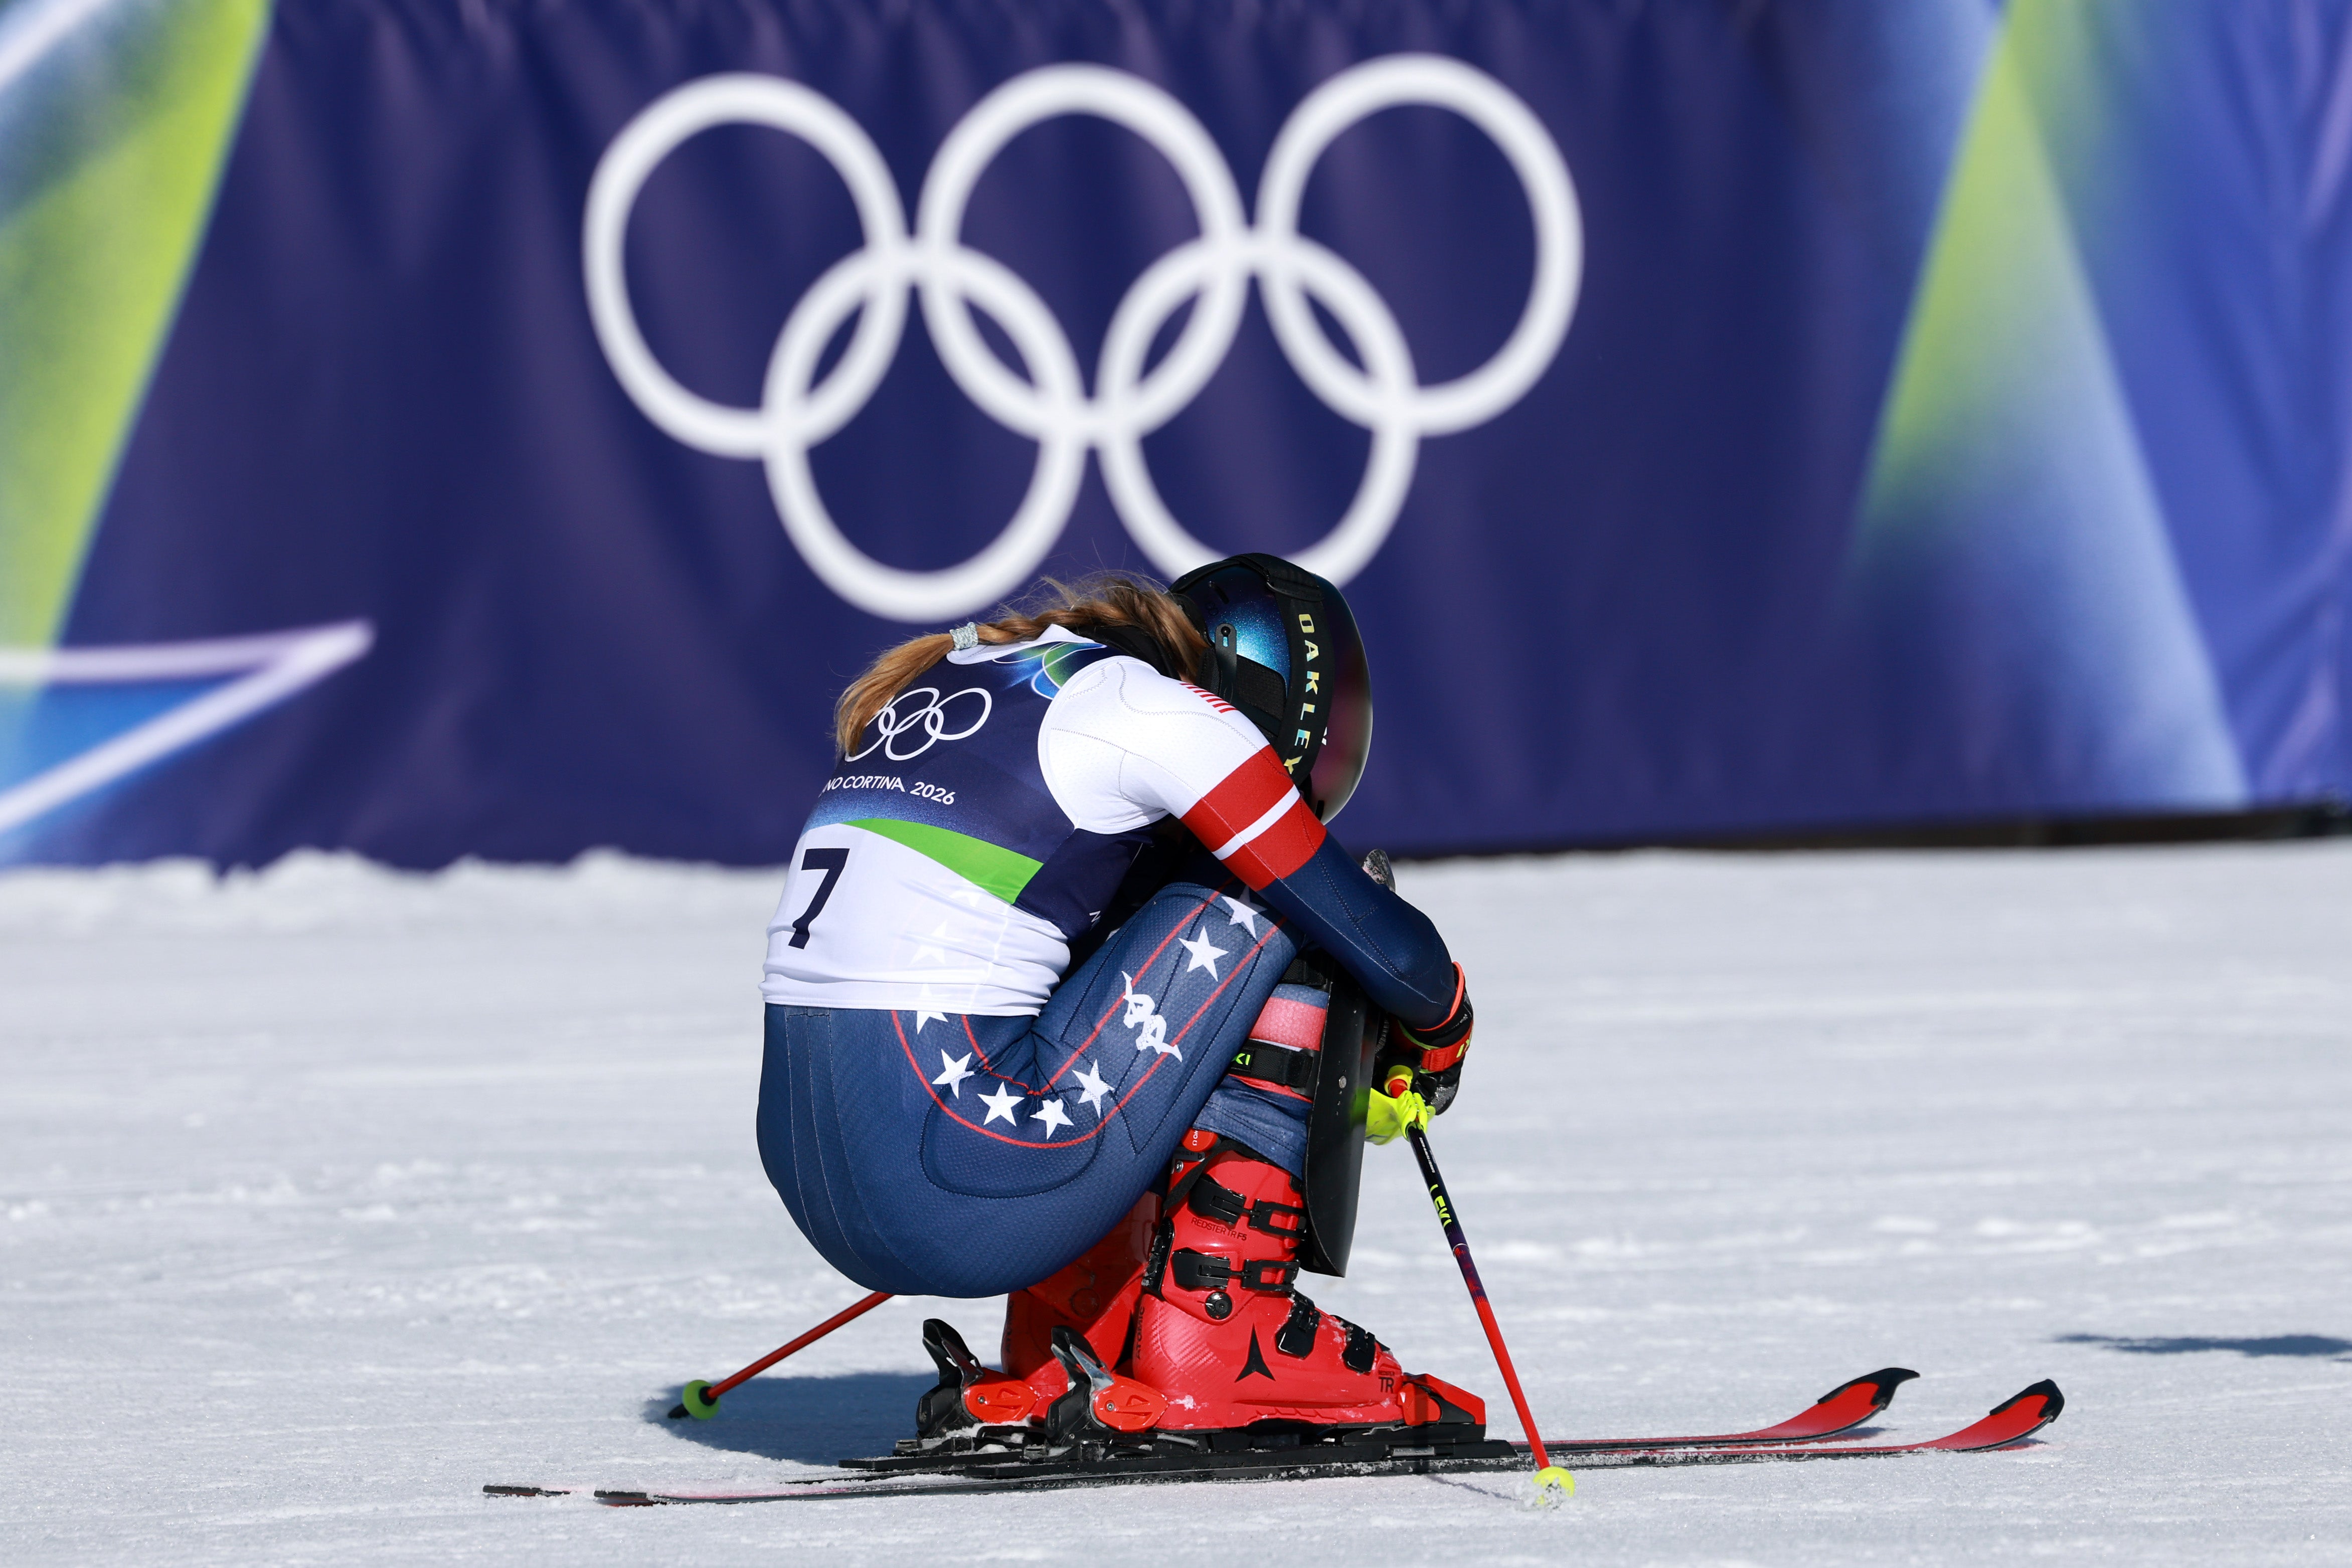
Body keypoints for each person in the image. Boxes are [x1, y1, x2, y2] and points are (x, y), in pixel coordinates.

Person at [757, 554, 1481, 1440]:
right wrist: (1442, 1029)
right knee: (1297, 897)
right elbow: (1388, 947)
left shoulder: (981, 671)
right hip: (964, 1179)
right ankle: (1222, 1336)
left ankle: (1068, 1334)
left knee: (1105, 899)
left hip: (822, 1175)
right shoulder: (1157, 713)